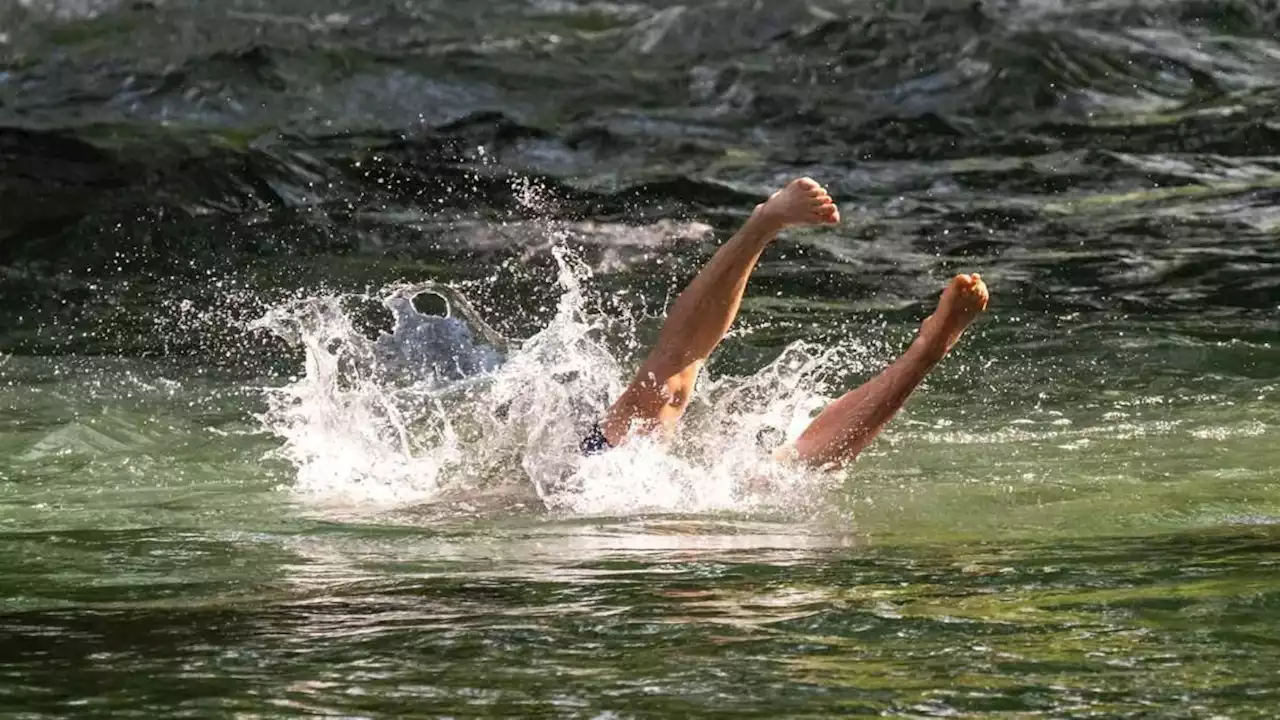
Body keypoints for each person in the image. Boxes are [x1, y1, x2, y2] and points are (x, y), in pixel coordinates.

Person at [580, 177, 989, 469]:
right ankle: (927, 353)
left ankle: (763, 223)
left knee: (660, 391)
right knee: (793, 472)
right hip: (668, 529)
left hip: (595, 486)